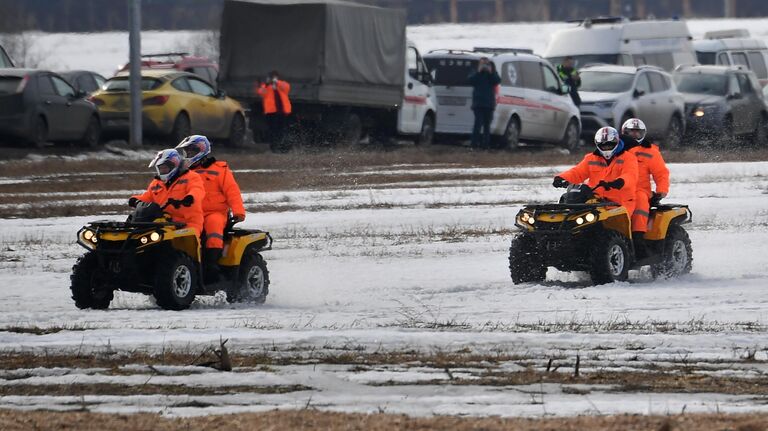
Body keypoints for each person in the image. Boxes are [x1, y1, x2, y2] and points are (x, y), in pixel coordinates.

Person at [176, 135, 246, 282]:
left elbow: (232, 191)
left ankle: (211, 264)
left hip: (215, 213)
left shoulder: (220, 169)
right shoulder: (181, 172)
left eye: (191, 151)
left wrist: (238, 212)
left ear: (202, 150)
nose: (188, 155)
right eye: (186, 152)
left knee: (213, 226)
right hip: (189, 214)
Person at [553, 126, 638, 219]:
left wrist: (619, 182)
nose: (606, 148)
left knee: (611, 224)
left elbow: (630, 175)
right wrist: (562, 178)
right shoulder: (591, 158)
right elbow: (578, 172)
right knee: (571, 210)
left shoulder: (628, 158)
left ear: (617, 142)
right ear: (597, 144)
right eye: (603, 146)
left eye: (609, 145)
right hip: (595, 202)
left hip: (620, 203)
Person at [621, 118, 670, 255]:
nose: (635, 136)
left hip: (639, 190)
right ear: (624, 132)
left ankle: (638, 237)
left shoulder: (650, 151)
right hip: (615, 190)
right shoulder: (613, 148)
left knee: (640, 201)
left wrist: (661, 192)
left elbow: (661, 174)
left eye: (638, 132)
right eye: (631, 132)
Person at [129, 149, 205, 237]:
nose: (162, 170)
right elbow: (148, 196)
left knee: (187, 240)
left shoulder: (191, 177)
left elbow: (197, 190)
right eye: (160, 168)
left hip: (188, 222)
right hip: (164, 222)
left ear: (174, 165)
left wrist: (190, 198)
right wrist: (136, 200)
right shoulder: (156, 183)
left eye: (165, 167)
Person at [467, 57, 501, 149]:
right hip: (478, 103)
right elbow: (470, 81)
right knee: (477, 124)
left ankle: (485, 146)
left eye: (486, 64)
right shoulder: (475, 72)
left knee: (487, 126)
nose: (485, 66)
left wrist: (491, 72)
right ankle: (474, 145)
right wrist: (478, 71)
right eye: (483, 64)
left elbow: (497, 81)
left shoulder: (492, 72)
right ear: (479, 64)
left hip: (489, 104)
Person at [256, 70, 292, 146]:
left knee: (282, 129)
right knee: (273, 130)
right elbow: (261, 92)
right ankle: (274, 145)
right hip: (271, 113)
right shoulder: (267, 87)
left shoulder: (282, 84)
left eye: (274, 77)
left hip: (282, 112)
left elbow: (287, 87)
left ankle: (282, 144)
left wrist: (277, 82)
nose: (273, 79)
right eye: (272, 77)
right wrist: (266, 84)